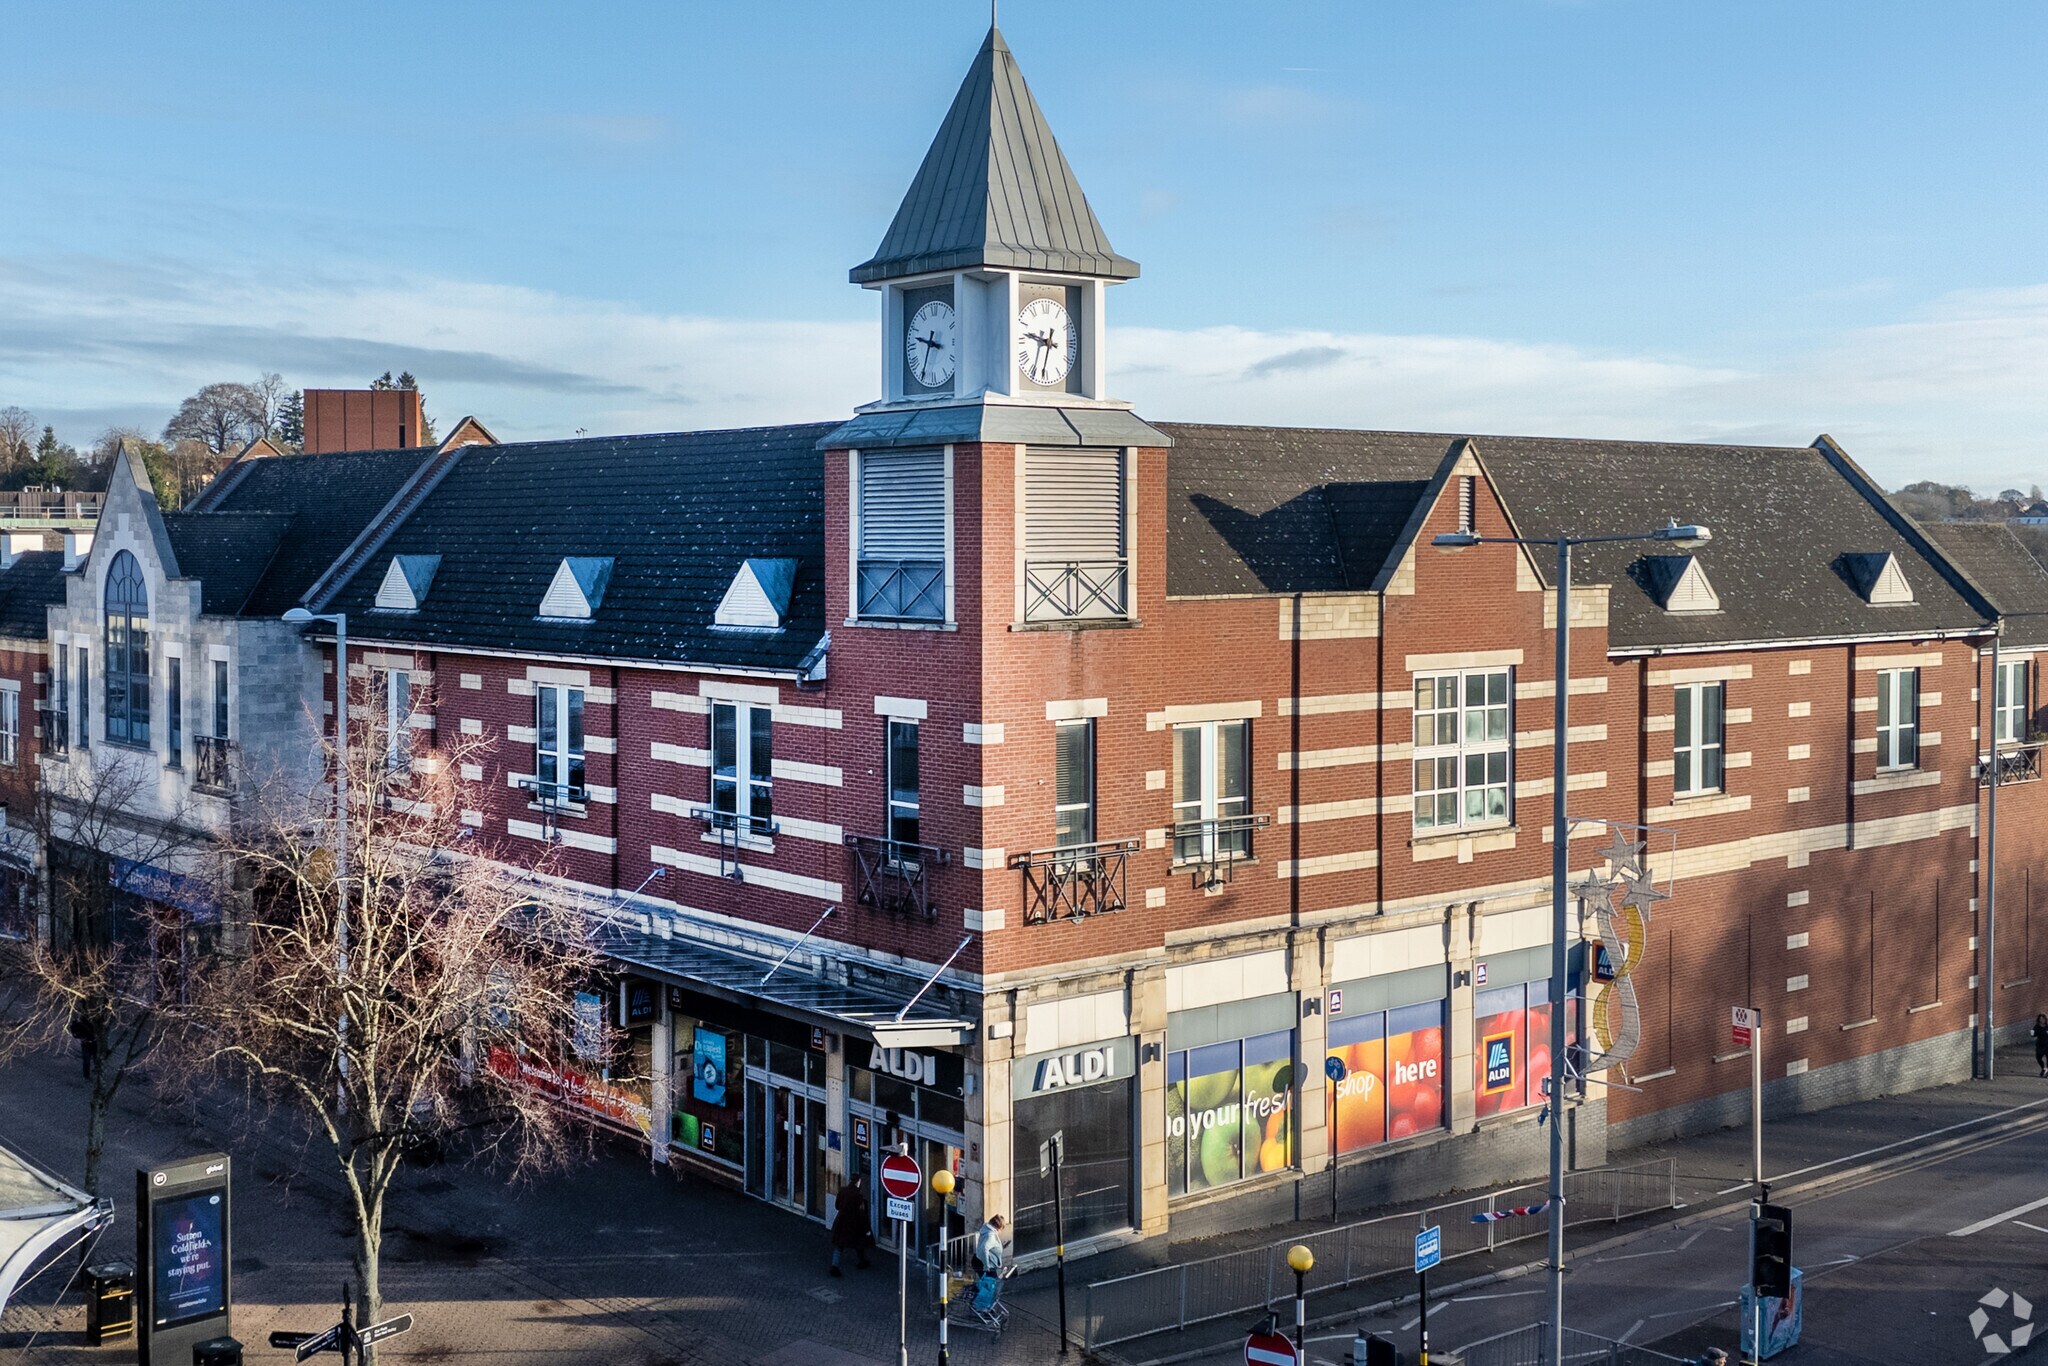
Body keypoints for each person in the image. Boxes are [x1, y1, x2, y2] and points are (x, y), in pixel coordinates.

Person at [829, 1180, 872, 1276]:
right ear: (858, 1184)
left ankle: (834, 1265)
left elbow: (837, 1206)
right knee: (859, 1242)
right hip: (854, 1223)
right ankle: (862, 1261)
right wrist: (867, 1229)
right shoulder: (858, 1196)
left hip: (841, 1221)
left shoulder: (842, 1191)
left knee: (839, 1244)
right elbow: (861, 1213)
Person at [2032, 1013, 2048, 1078]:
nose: (2042, 1020)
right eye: (2040, 1019)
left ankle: (2047, 1071)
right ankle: (2043, 1068)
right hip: (2040, 1044)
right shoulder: (2037, 1026)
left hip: (2047, 1045)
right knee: (2038, 1057)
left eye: (2043, 1019)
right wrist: (2032, 1034)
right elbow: (2034, 1034)